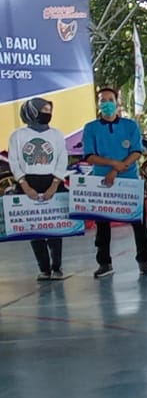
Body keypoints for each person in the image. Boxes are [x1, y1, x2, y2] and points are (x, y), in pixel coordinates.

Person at [81, 86, 147, 278]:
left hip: (129, 182)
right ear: (98, 104)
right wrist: (113, 164)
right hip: (101, 183)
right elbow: (89, 156)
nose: (107, 104)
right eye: (102, 101)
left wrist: (117, 169)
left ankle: (144, 261)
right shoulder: (91, 128)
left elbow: (136, 151)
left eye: (110, 100)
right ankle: (104, 263)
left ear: (117, 102)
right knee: (102, 226)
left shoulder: (130, 126)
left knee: (139, 223)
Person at [7, 96, 69, 280]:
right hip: (28, 182)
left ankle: (56, 267)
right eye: (44, 110)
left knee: (54, 227)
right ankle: (44, 268)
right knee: (34, 228)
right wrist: (24, 185)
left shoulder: (56, 134)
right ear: (33, 111)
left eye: (49, 111)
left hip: (52, 181)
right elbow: (14, 161)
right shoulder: (18, 136)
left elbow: (62, 159)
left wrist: (55, 184)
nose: (47, 114)